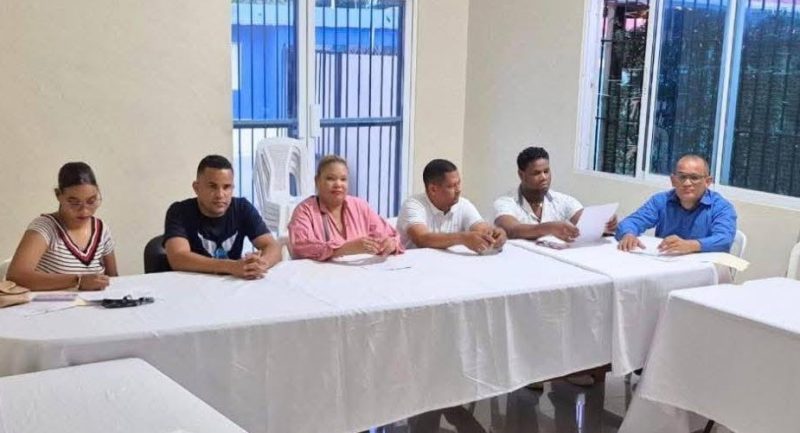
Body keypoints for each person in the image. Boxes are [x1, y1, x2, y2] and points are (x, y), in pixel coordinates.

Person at [163, 155, 282, 279]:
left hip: (232, 286)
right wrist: (230, 266)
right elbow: (178, 258)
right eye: (212, 186)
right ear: (196, 188)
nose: (220, 195)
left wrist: (260, 264)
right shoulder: (179, 211)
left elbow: (273, 246)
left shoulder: (242, 208)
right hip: (191, 284)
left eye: (226, 187)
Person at [7, 162, 117, 291]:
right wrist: (77, 281)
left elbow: (114, 278)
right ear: (58, 195)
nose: (84, 211)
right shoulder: (45, 228)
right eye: (74, 203)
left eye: (91, 201)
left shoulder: (101, 229)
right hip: (52, 302)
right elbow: (16, 276)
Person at [616, 154, 737, 254]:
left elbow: (724, 239)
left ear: (708, 182)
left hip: (703, 268)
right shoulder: (661, 201)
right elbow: (630, 222)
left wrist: (691, 245)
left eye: (694, 178)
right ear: (673, 180)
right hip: (665, 264)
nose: (687, 183)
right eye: (682, 177)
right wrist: (628, 234)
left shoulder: (721, 207)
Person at [288, 155, 402, 260]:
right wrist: (346, 248)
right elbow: (300, 246)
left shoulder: (359, 205)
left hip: (360, 271)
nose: (338, 184)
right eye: (330, 178)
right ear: (317, 181)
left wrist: (390, 243)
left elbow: (391, 235)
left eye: (343, 179)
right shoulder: (305, 210)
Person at [494, 146, 616, 242]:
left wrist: (604, 223)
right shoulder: (506, 202)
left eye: (546, 171)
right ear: (521, 175)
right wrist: (548, 228)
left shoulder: (564, 201)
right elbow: (511, 230)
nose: (544, 177)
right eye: (536, 173)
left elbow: (585, 223)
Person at [397, 159, 506, 252]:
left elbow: (481, 228)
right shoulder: (413, 205)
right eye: (451, 186)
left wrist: (494, 234)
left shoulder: (463, 204)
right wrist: (463, 238)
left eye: (458, 183)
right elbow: (422, 239)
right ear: (433, 189)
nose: (458, 190)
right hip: (413, 267)